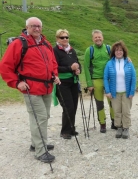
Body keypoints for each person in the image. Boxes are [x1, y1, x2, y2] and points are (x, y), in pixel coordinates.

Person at [0, 17, 61, 163]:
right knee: (39, 118)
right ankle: (41, 150)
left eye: (39, 26)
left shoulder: (45, 43)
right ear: (27, 27)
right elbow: (5, 66)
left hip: (46, 87)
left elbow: (52, 63)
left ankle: (36, 144)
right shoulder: (19, 44)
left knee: (44, 116)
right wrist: (16, 83)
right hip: (31, 88)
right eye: (33, 26)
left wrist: (55, 75)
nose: (37, 29)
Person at [83, 30, 116, 133]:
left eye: (99, 37)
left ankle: (114, 122)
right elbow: (86, 67)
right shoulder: (90, 50)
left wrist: (127, 59)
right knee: (99, 103)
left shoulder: (109, 48)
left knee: (112, 102)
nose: (98, 39)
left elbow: (117, 60)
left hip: (109, 79)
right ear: (93, 39)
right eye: (95, 37)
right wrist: (89, 84)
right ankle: (102, 123)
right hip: (96, 80)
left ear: (103, 37)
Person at [104, 40, 136, 139]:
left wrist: (132, 92)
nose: (119, 52)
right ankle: (119, 127)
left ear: (124, 51)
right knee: (117, 111)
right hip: (115, 93)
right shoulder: (109, 64)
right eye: (117, 50)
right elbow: (105, 77)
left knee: (126, 111)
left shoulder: (129, 63)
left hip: (126, 92)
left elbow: (134, 78)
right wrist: (108, 91)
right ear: (114, 52)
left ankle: (126, 128)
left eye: (121, 50)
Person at [53, 29, 81, 139]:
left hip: (73, 81)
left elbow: (77, 63)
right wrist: (70, 68)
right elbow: (54, 67)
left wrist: (78, 69)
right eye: (62, 37)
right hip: (62, 82)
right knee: (68, 106)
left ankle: (71, 128)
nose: (65, 39)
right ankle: (65, 131)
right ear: (57, 39)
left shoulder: (71, 50)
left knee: (74, 106)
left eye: (66, 37)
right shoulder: (55, 50)